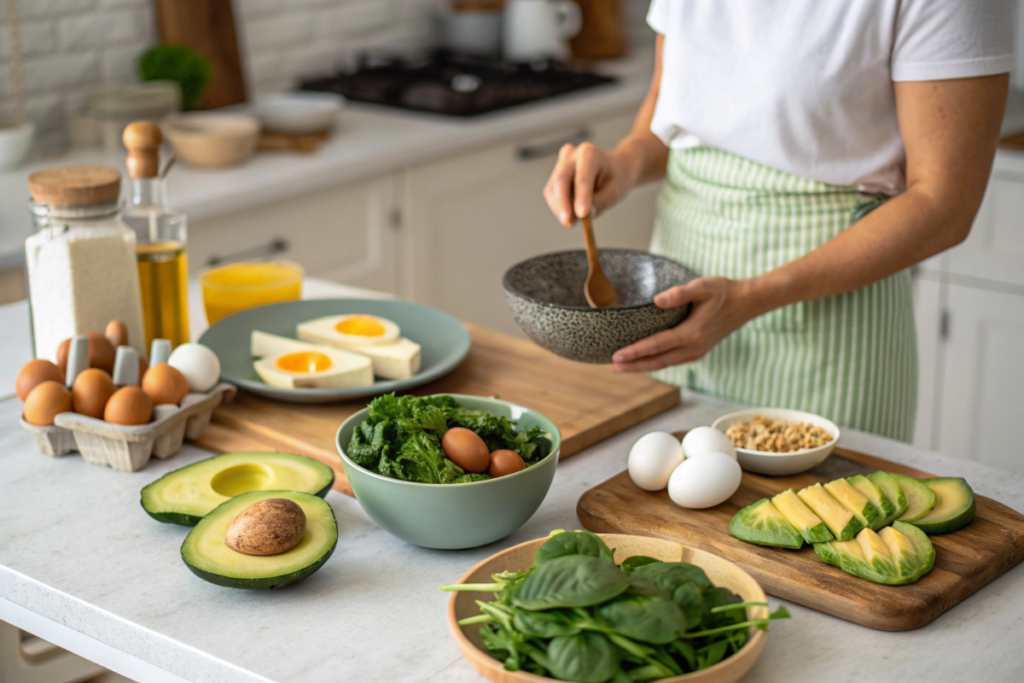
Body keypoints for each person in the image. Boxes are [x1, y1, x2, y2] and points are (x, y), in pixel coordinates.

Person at [543, 1, 1012, 441]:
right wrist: (625, 161)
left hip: (826, 325)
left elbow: (944, 204)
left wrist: (753, 296)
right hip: (677, 305)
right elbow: (673, 109)